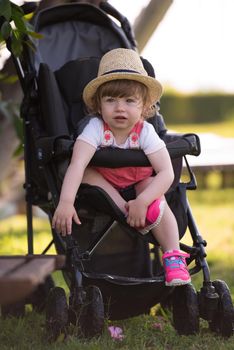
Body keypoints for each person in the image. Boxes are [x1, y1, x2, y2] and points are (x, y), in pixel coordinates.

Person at [52, 48, 191, 286]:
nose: (120, 108)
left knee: (154, 189)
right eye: (111, 100)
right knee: (86, 170)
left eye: (129, 101)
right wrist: (65, 202)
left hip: (140, 183)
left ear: (144, 106)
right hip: (105, 186)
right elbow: (76, 164)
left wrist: (144, 200)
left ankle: (173, 255)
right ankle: (126, 212)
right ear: (98, 105)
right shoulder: (95, 128)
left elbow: (166, 173)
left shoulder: (145, 132)